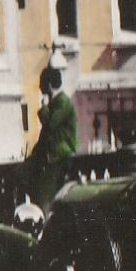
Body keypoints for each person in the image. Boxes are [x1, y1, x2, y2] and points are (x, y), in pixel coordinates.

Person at [20, 66, 79, 208]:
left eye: (42, 86)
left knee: (43, 195)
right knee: (22, 175)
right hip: (50, 157)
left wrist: (44, 106)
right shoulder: (57, 103)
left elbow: (51, 125)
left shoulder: (63, 102)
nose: (41, 90)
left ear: (50, 85)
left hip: (58, 158)